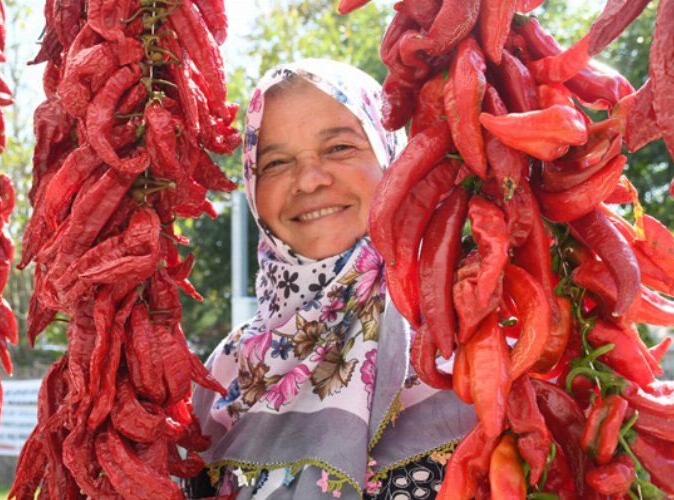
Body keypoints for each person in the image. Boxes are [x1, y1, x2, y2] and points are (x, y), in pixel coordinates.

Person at [188, 58, 475, 500]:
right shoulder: (226, 371)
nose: (309, 180)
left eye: (339, 148)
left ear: (392, 160)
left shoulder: (468, 334)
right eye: (276, 162)